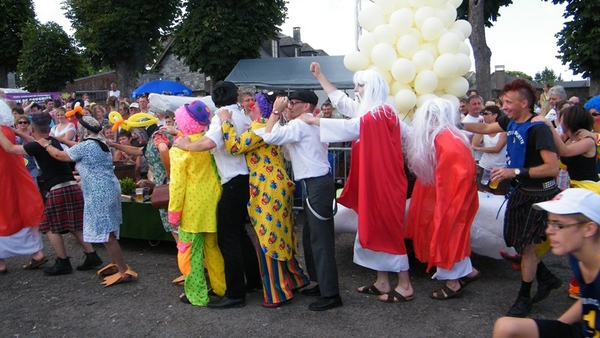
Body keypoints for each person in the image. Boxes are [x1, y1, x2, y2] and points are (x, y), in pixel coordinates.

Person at [303, 62, 414, 304]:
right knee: (374, 226)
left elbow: (350, 126)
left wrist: (315, 122)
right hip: (379, 181)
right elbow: (342, 102)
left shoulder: (379, 113)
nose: (356, 89)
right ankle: (383, 280)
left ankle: (405, 285)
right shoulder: (378, 111)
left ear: (372, 87)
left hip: (384, 183)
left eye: (360, 85)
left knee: (387, 229)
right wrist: (321, 75)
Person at [462, 79, 560, 317]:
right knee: (515, 239)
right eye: (503, 102)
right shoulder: (511, 120)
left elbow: (552, 168)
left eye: (508, 102)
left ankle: (524, 297)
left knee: (526, 247)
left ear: (524, 103)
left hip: (538, 194)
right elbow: (485, 129)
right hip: (520, 191)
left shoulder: (538, 128)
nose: (502, 106)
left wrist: (514, 172)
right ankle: (546, 277)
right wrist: (452, 124)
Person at [174, 81, 261, 309]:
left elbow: (209, 142)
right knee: (240, 235)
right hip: (245, 180)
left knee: (227, 239)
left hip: (232, 182)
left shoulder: (222, 117)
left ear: (215, 99)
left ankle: (235, 293)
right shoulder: (241, 115)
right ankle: (253, 280)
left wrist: (185, 145)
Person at [218, 93, 310, 308]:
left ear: (261, 109)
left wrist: (225, 121)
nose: (249, 107)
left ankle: (277, 292)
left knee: (267, 237)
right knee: (281, 234)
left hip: (267, 187)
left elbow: (234, 147)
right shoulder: (268, 124)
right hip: (276, 184)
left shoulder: (261, 125)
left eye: (253, 104)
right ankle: (294, 279)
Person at [256, 89, 342, 311]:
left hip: (316, 183)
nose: (289, 106)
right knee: (311, 237)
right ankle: (321, 284)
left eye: (293, 103)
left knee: (320, 240)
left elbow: (269, 136)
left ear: (306, 106)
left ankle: (331, 294)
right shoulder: (310, 123)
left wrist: (275, 111)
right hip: (315, 183)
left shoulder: (300, 125)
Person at [0, 113, 102, 275]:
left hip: (57, 189)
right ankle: (92, 255)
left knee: (48, 226)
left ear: (33, 129)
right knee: (74, 225)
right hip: (71, 185)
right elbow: (33, 143)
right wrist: (18, 133)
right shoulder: (51, 141)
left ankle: (63, 261)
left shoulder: (39, 145)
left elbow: (10, 149)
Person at [41, 113, 137, 286]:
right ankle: (116, 264)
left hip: (99, 192)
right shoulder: (99, 143)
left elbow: (61, 156)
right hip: (109, 187)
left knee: (107, 233)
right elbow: (77, 147)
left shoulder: (87, 146)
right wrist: (63, 141)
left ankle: (123, 271)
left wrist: (46, 143)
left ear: (83, 130)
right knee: (110, 229)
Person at [493, 188, 600, 338]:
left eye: (559, 225)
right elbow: (589, 299)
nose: (549, 231)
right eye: (549, 223)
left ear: (589, 229)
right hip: (586, 330)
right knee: (505, 327)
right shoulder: (578, 255)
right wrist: (558, 325)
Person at [405, 98, 481, 300]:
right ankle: (467, 271)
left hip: (451, 199)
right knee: (452, 233)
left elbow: (454, 176)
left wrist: (443, 206)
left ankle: (453, 282)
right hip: (453, 197)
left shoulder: (444, 139)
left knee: (447, 234)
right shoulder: (449, 137)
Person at [168, 101, 224, 306]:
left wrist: (173, 212)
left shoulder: (180, 149)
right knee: (213, 248)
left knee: (189, 251)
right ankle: (220, 288)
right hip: (213, 201)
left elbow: (177, 185)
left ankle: (197, 295)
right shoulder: (208, 141)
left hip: (192, 206)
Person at [0, 100, 46, 274]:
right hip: (16, 172)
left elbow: (8, 148)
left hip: (3, 175)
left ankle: (1, 262)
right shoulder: (7, 129)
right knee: (21, 209)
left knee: (5, 213)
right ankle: (37, 252)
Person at [472, 105, 508, 194]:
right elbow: (474, 143)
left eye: (486, 114)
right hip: (485, 166)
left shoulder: (503, 130)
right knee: (483, 194)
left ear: (495, 115)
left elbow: (497, 149)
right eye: (483, 114)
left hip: (500, 168)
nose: (484, 116)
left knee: (499, 195)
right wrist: (479, 128)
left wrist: (479, 148)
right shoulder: (484, 129)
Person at [14, 115, 39, 186]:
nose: (23, 124)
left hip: (33, 163)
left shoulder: (33, 134)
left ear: (28, 124)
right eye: (20, 122)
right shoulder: (13, 135)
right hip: (19, 163)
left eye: (25, 122)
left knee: (34, 185)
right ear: (16, 124)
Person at [462, 95, 485, 161]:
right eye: (474, 104)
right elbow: (466, 142)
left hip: (484, 158)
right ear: (468, 106)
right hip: (474, 158)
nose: (477, 106)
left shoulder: (483, 118)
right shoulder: (466, 122)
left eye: (479, 103)